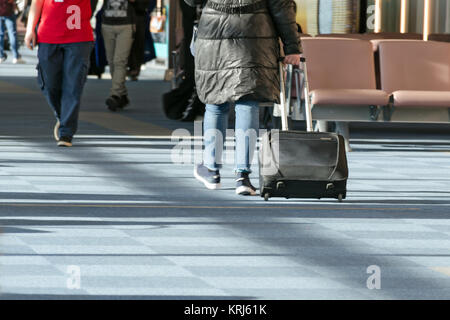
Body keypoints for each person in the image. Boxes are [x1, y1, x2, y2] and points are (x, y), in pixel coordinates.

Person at [187, 0, 301, 196]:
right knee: (248, 102)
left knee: (215, 102)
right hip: (255, 34)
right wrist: (292, 46)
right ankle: (243, 177)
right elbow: (281, 8)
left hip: (214, 32)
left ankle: (212, 170)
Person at [24, 0, 94, 147]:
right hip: (48, 37)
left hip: (79, 38)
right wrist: (30, 29)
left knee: (73, 86)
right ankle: (63, 116)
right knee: (49, 84)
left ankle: (66, 133)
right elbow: (36, 4)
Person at [101, 0, 137, 111]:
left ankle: (115, 94)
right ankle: (122, 94)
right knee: (111, 61)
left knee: (119, 61)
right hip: (107, 24)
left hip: (126, 24)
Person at [127, 0, 150, 81]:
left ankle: (135, 68)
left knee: (138, 43)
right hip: (125, 15)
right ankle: (129, 67)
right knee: (127, 43)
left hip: (140, 15)